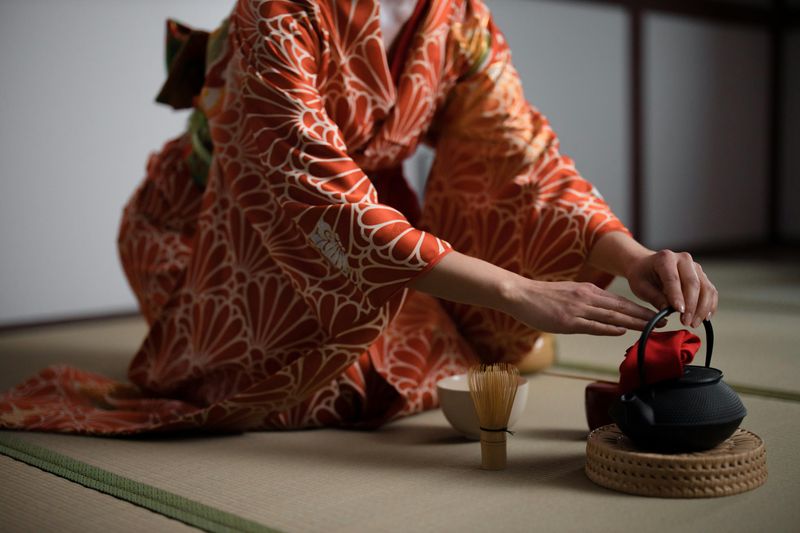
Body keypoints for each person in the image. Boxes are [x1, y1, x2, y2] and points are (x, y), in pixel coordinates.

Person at [0, 0, 716, 434]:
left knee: (441, 365)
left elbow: (519, 157)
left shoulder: (459, 17)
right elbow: (301, 184)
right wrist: (515, 290)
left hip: (363, 223)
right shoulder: (282, 7)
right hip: (224, 229)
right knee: (347, 387)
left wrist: (630, 256)